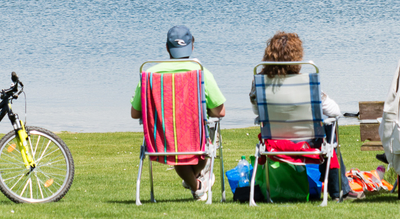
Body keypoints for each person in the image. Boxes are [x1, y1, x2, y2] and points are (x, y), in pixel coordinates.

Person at [130, 25, 226, 200]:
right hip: (196, 140)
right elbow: (220, 112)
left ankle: (193, 180)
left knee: (176, 142)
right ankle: (196, 184)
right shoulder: (201, 72)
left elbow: (135, 113)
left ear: (167, 47)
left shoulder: (150, 74)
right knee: (206, 135)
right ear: (192, 46)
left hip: (162, 143)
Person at [249, 32, 348, 199]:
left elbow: (257, 112)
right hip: (307, 142)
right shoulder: (306, 83)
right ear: (297, 57)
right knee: (330, 127)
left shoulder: (259, 83)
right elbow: (335, 111)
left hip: (274, 142)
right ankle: (338, 189)